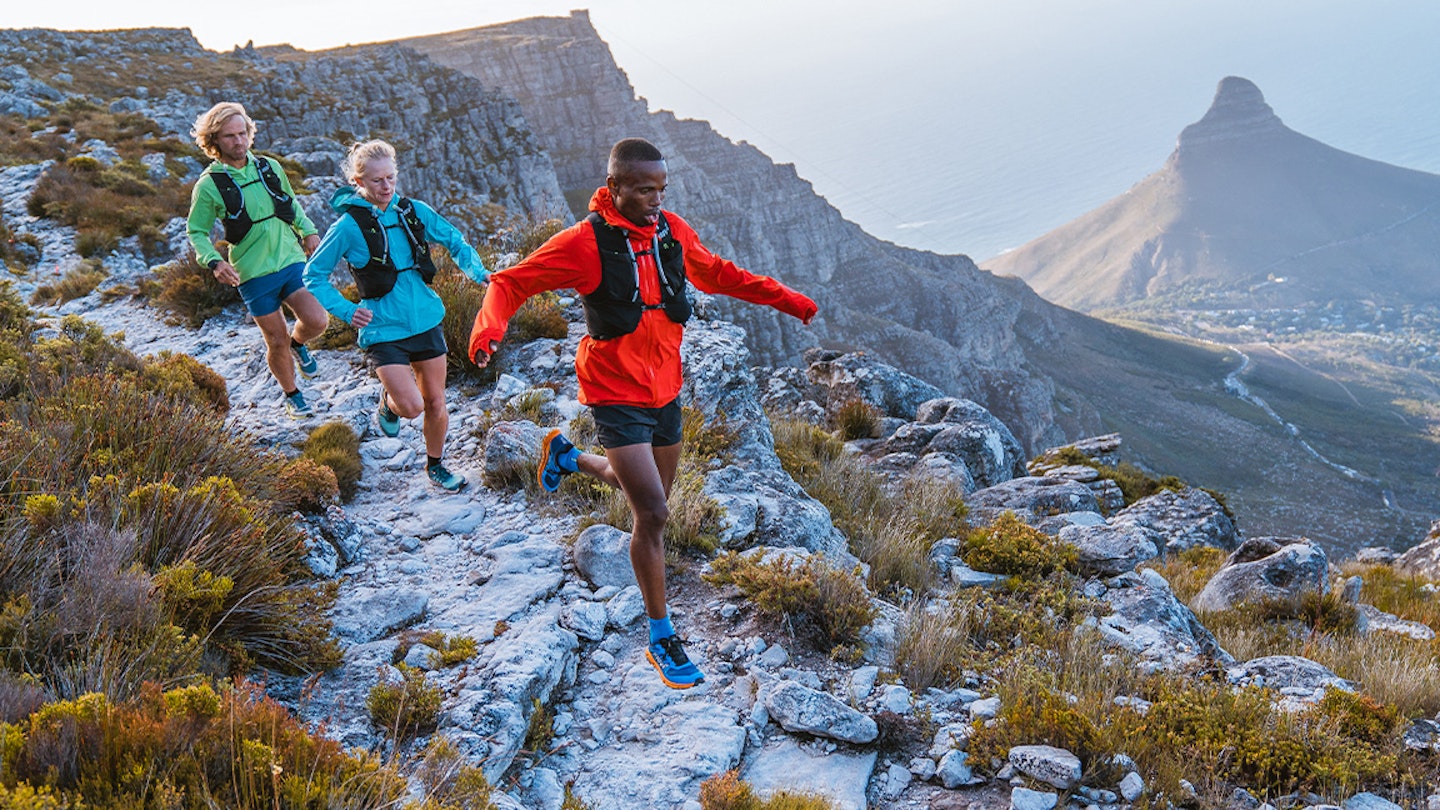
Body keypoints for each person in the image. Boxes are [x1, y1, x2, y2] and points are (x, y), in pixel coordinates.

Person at [469, 137, 818, 689]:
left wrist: (790, 300)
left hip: (665, 391)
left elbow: (722, 275)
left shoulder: (673, 233)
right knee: (653, 513)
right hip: (612, 391)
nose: (655, 199)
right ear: (614, 189)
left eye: (660, 189)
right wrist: (489, 329)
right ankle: (662, 636)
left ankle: (565, 454)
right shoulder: (585, 244)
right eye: (642, 190)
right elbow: (513, 281)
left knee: (640, 488)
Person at [303, 140, 488, 492]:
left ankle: (436, 467)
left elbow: (455, 240)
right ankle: (389, 405)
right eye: (376, 181)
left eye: (390, 178)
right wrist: (346, 310)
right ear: (358, 181)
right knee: (412, 405)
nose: (386, 187)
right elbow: (313, 275)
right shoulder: (346, 227)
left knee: (435, 402)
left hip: (426, 320)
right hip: (383, 328)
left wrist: (477, 272)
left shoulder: (412, 210)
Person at [187, 102, 327, 418]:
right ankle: (293, 395)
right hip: (252, 273)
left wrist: (308, 231)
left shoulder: (269, 167)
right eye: (229, 136)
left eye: (242, 134)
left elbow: (290, 202)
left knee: (317, 320)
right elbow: (196, 231)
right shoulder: (209, 185)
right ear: (214, 141)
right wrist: (214, 262)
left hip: (290, 258)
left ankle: (299, 343)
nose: (239, 142)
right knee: (275, 340)